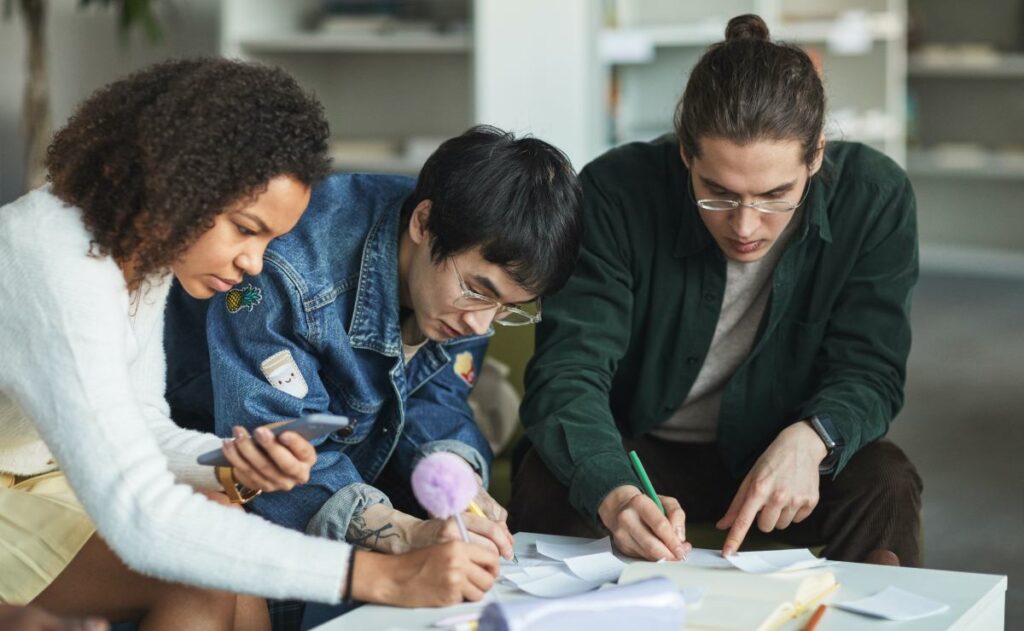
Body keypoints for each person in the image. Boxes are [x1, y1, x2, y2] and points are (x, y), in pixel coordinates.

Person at [0, 58, 498, 631]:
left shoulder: (141, 252)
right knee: (195, 566)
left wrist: (231, 472)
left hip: (42, 483)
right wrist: (381, 576)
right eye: (245, 228)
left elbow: (140, 424)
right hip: (24, 492)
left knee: (221, 515)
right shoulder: (54, 263)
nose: (253, 263)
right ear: (178, 182)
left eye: (269, 239)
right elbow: (141, 514)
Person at [509, 14, 923, 567]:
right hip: (643, 449)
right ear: (686, 152)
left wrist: (814, 437)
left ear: (816, 156)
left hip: (784, 445)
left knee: (887, 481)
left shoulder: (875, 198)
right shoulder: (614, 192)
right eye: (718, 192)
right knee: (549, 472)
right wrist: (615, 492)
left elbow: (870, 370)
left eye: (776, 194)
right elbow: (568, 374)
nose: (746, 226)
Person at [164, 126, 583, 560]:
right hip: (216, 483)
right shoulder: (285, 271)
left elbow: (434, 396)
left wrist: (457, 483)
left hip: (349, 488)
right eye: (478, 291)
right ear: (423, 223)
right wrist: (402, 532)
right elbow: (273, 452)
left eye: (508, 308)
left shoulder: (463, 276)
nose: (481, 325)